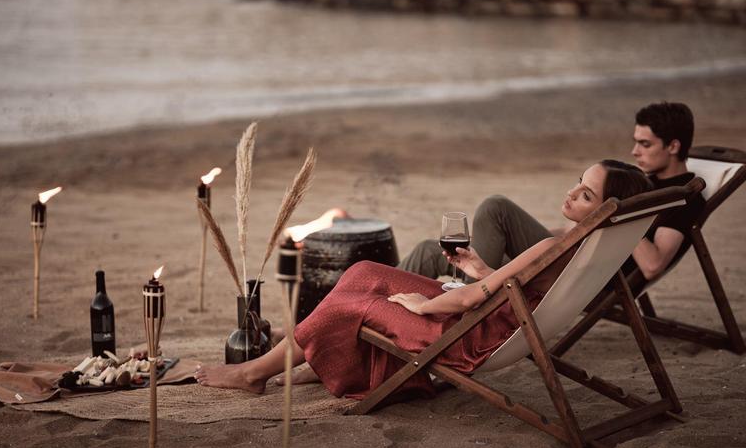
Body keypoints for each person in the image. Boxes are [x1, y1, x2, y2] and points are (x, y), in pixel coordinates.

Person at [195, 160, 653, 400]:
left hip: (472, 333)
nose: (572, 192)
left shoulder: (553, 245)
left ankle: (255, 372)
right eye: (578, 181)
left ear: (605, 210)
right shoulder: (582, 245)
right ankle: (315, 358)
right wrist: (477, 268)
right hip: (494, 318)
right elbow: (513, 288)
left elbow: (471, 300)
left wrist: (423, 305)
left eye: (586, 194)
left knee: (355, 302)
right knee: (362, 273)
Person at [397, 101, 704, 284]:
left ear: (673, 146)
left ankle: (471, 294)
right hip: (569, 253)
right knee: (428, 249)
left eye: (645, 144)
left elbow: (652, 267)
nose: (634, 151)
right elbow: (582, 228)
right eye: (636, 141)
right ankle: (352, 297)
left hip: (583, 276)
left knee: (496, 207)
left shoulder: (681, 197)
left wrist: (624, 212)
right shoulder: (642, 179)